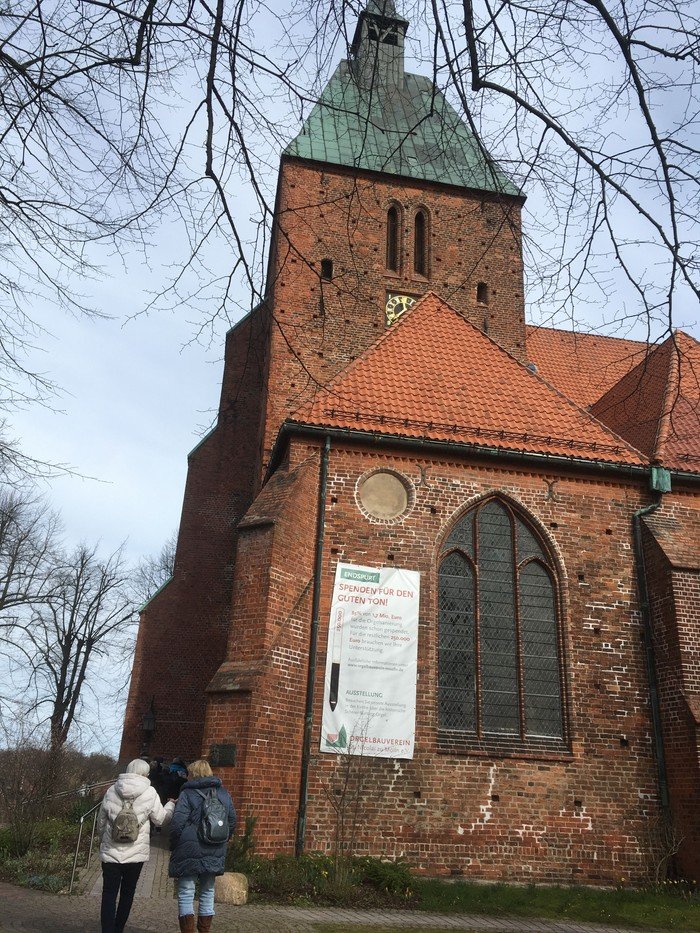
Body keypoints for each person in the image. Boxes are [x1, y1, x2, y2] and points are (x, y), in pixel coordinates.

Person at [97, 758, 175, 933]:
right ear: (145, 774)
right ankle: (118, 929)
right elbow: (160, 819)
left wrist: (102, 840)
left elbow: (101, 822)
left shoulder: (112, 790)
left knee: (108, 893)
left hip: (110, 852)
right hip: (135, 853)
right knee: (128, 892)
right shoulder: (150, 792)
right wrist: (170, 805)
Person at [169, 759, 236, 933]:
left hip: (189, 848)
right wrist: (222, 839)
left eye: (189, 773)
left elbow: (177, 823)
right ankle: (204, 930)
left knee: (186, 891)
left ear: (194, 774)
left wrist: (174, 843)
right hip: (215, 846)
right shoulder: (224, 793)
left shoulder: (187, 794)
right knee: (208, 890)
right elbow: (231, 821)